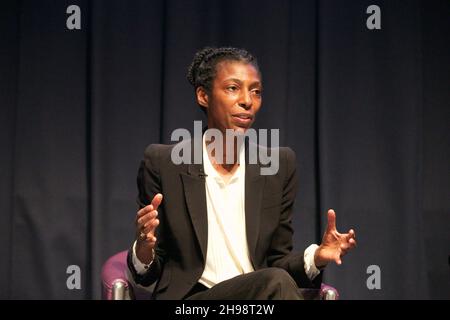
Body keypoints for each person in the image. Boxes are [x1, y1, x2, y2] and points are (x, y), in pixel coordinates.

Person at [127, 47, 356, 299]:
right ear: (203, 96)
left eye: (255, 91)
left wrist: (317, 257)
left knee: (276, 281)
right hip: (192, 300)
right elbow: (148, 272)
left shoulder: (278, 165)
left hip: (259, 297)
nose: (247, 100)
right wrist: (144, 248)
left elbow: (277, 260)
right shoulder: (163, 162)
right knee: (276, 282)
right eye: (233, 88)